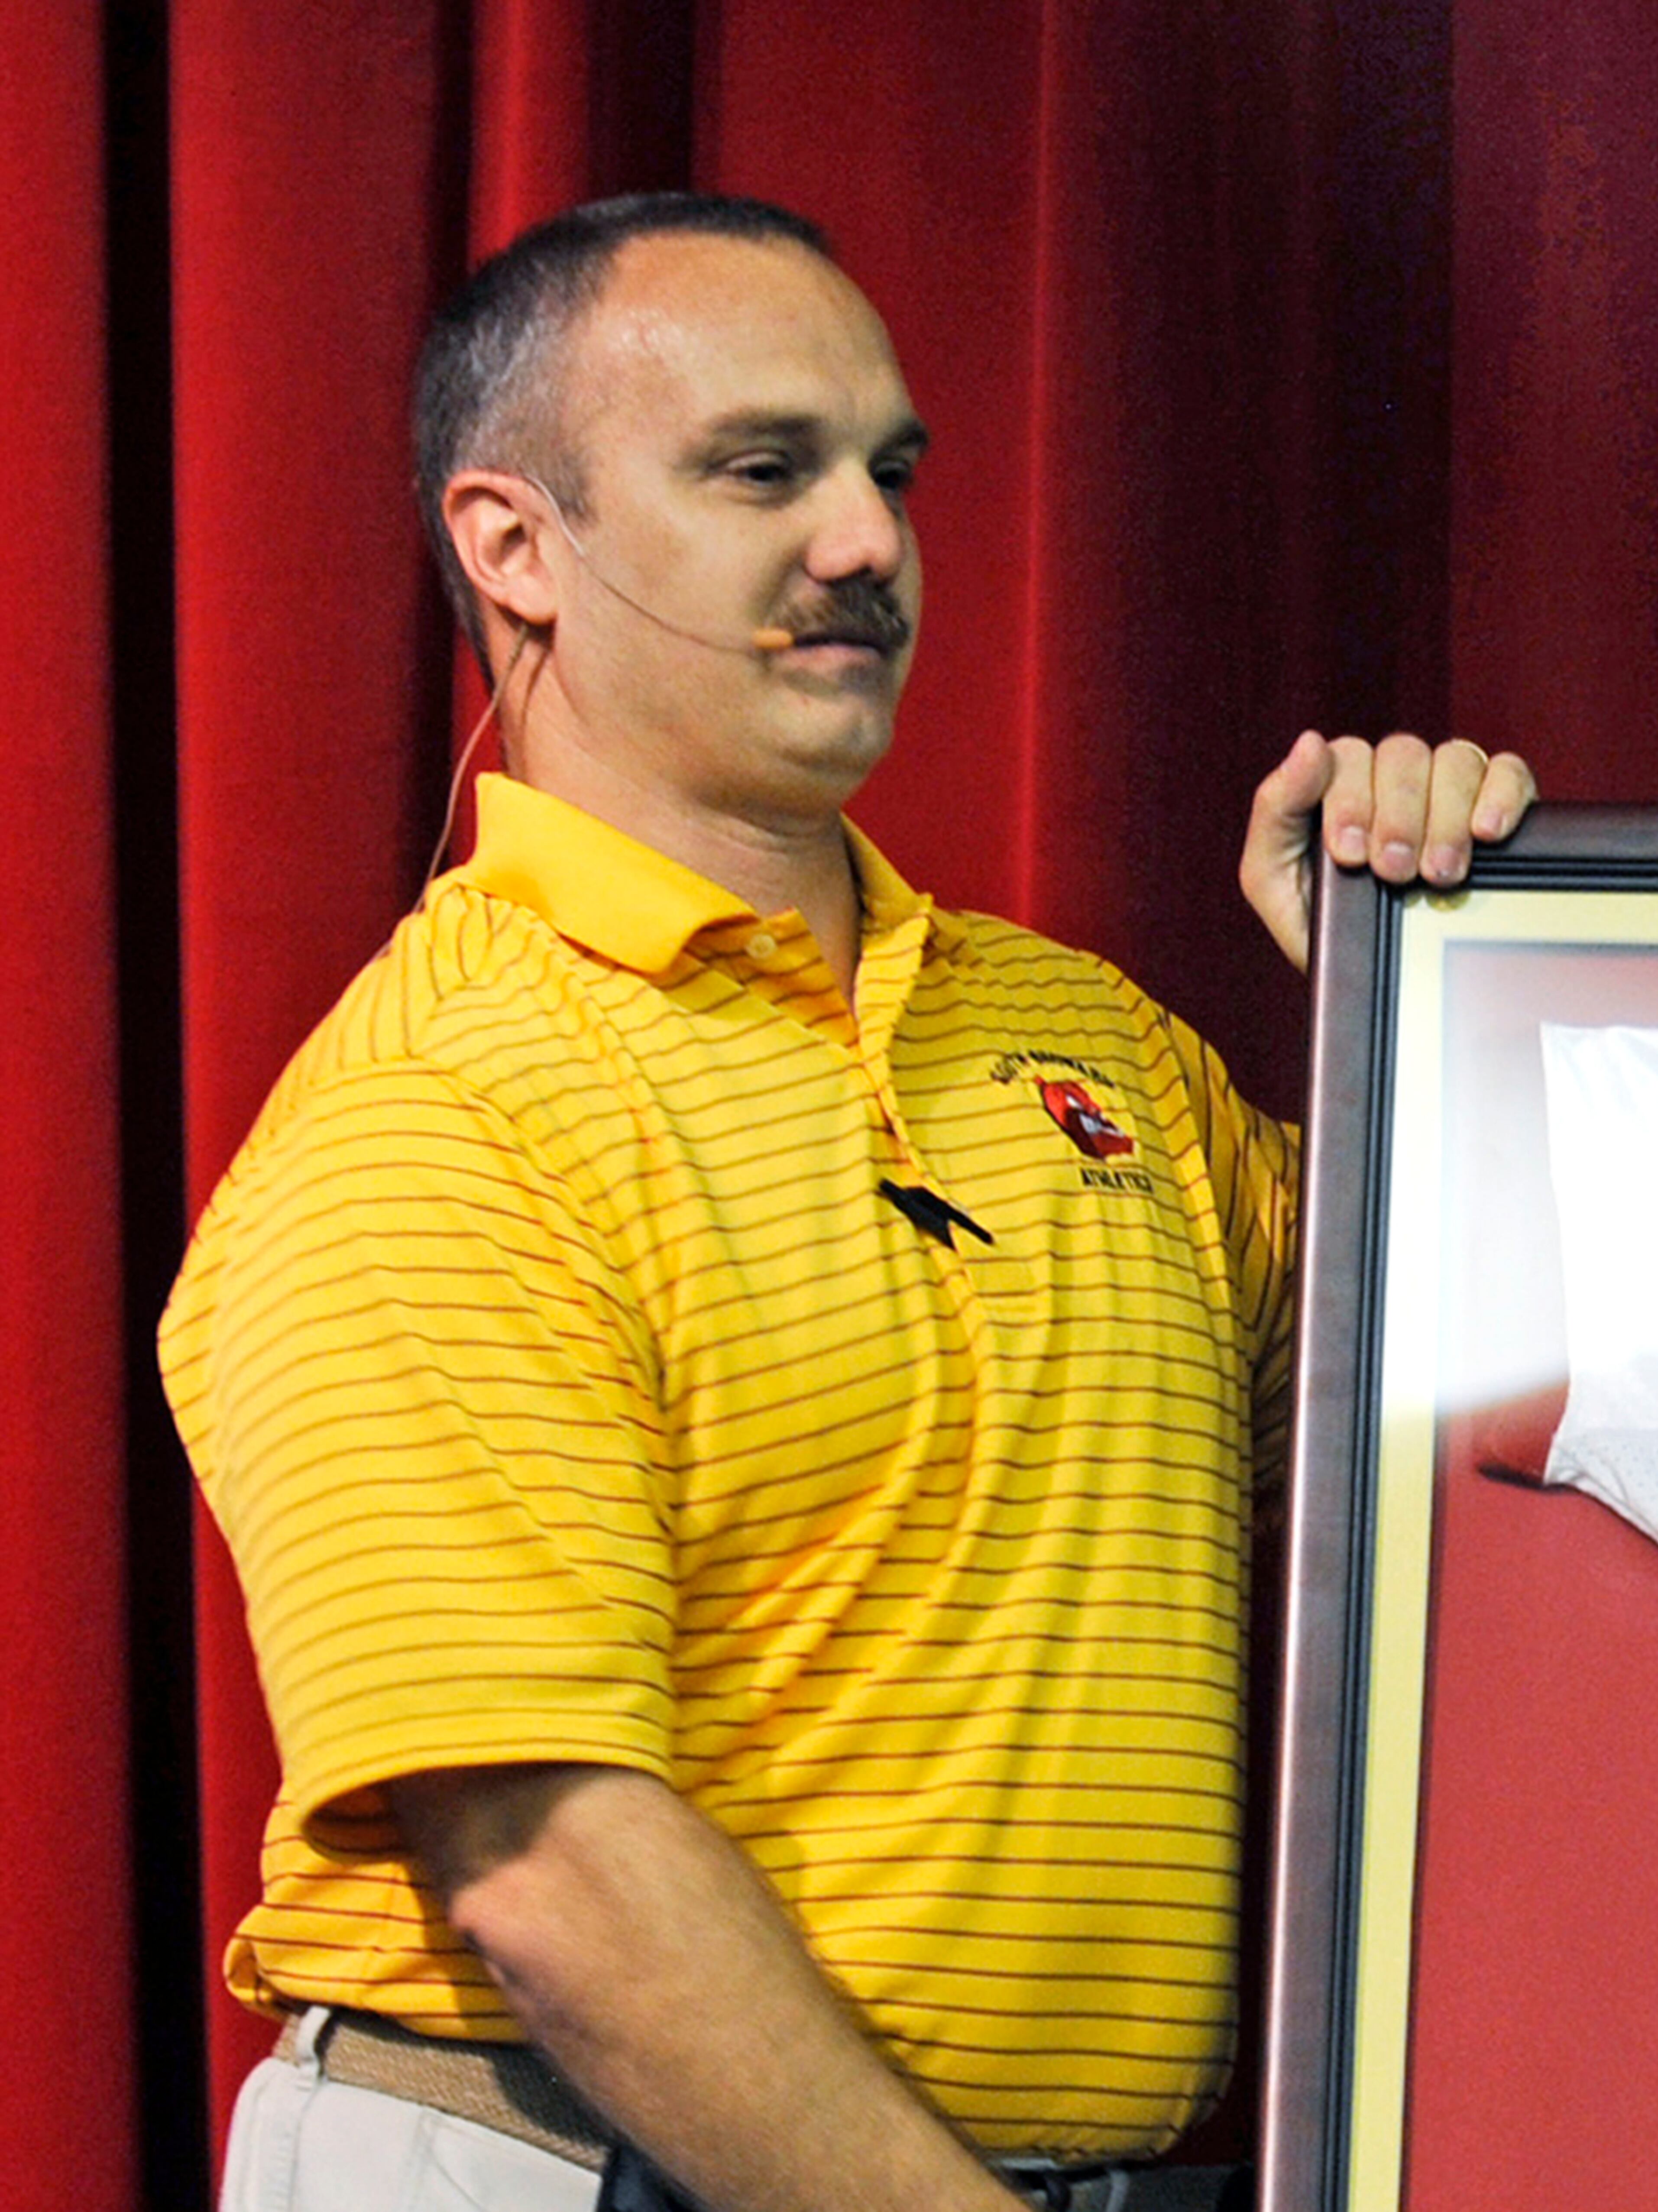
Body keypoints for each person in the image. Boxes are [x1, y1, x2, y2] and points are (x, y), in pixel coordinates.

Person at [159, 194, 1535, 2212]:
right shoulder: (437, 1110)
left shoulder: (1094, 1045)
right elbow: (553, 1867)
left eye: (889, 471)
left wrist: (1433, 998)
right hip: (560, 2168)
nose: (868, 541)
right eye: (762, 469)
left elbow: (1498, 1437)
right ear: (513, 545)